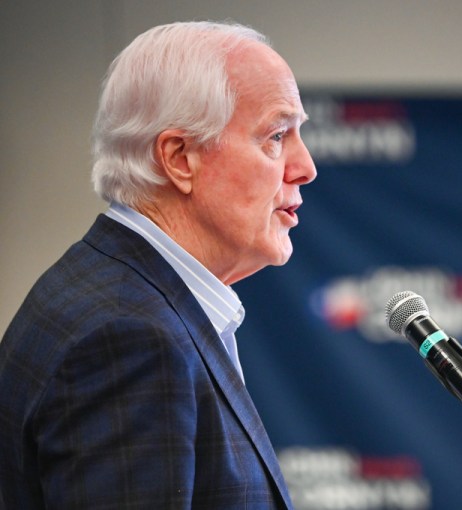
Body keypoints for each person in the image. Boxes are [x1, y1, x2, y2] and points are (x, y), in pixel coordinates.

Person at [0, 20, 316, 509]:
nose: (305, 167)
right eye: (276, 136)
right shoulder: (129, 339)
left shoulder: (119, 294)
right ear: (180, 158)